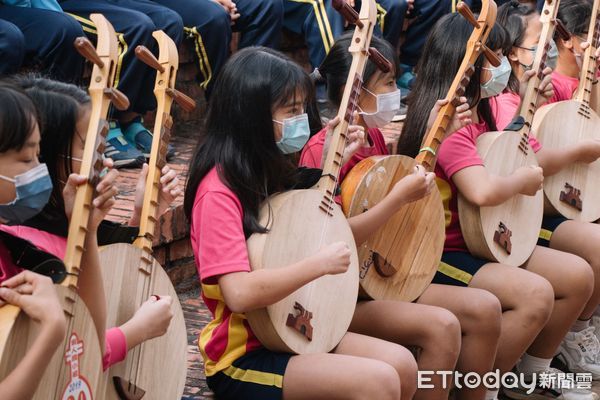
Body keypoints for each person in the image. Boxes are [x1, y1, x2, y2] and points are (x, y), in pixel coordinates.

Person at [184, 47, 419, 400]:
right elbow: (239, 293)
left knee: (402, 364)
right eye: (290, 110)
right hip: (244, 353)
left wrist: (328, 169)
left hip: (294, 324)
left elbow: (317, 232)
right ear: (251, 115)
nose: (301, 120)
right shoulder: (218, 192)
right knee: (378, 381)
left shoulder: (270, 170)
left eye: (301, 109)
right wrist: (318, 265)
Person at [398, 10, 596, 400]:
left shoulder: (482, 113)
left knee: (576, 275)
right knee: (534, 295)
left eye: (505, 55)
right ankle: (486, 388)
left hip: (487, 234)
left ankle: (533, 369)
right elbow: (483, 193)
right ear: (466, 66)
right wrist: (521, 180)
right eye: (496, 58)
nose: (503, 66)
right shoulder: (448, 124)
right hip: (450, 248)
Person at [301, 31, 504, 400]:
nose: (396, 90)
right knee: (442, 327)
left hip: (381, 273)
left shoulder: (373, 137)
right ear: (355, 90)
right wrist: (397, 198)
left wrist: (432, 137)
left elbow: (401, 192)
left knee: (484, 308)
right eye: (389, 83)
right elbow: (329, 239)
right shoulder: (323, 152)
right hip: (344, 292)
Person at [498, 0, 600, 380]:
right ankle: (562, 347)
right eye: (538, 43)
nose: (544, 52)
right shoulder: (521, 98)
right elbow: (531, 162)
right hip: (539, 211)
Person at [0, 82, 67, 399]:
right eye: (27, 159)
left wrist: (89, 226)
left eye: (39, 156)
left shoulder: (13, 244)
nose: (40, 171)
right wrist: (52, 331)